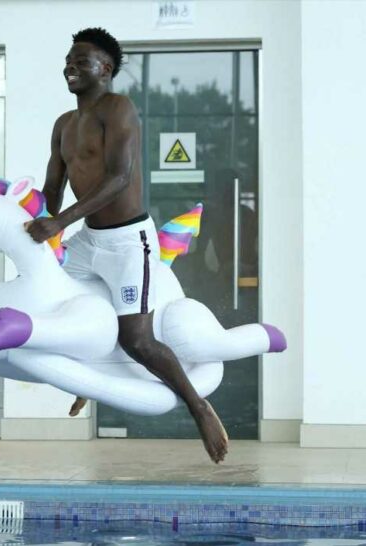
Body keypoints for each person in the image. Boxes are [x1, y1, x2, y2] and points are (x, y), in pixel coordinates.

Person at [25, 28, 228, 464]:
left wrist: (59, 223)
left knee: (136, 339)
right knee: (52, 308)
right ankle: (90, 379)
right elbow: (52, 188)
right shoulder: (63, 124)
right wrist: (29, 218)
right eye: (68, 60)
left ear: (105, 69)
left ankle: (199, 407)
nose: (70, 67)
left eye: (81, 61)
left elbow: (119, 178)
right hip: (88, 240)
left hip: (128, 242)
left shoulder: (118, 109)